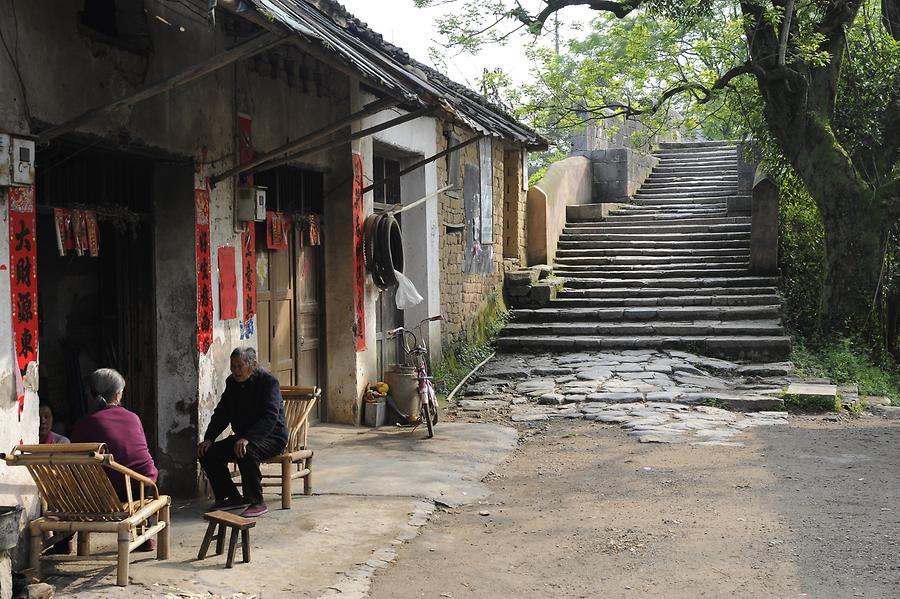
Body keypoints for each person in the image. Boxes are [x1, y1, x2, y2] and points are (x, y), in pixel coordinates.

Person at [71, 368, 159, 551]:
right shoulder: (133, 418)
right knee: (148, 480)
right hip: (137, 491)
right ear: (118, 394)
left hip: (97, 497)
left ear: (91, 394)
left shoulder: (82, 425)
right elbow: (145, 463)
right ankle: (145, 530)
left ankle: (64, 540)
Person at [198, 347, 288, 517]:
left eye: (239, 366)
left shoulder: (268, 383)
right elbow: (222, 413)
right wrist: (209, 437)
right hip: (242, 438)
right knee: (206, 452)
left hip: (271, 436)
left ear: (252, 365)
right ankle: (231, 497)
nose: (236, 371)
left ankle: (256, 502)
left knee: (246, 450)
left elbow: (270, 417)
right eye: (233, 366)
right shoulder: (232, 383)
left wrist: (249, 438)